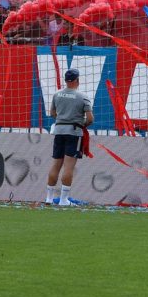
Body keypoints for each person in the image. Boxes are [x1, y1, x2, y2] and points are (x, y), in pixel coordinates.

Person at [45, 68, 94, 206]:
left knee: (55, 165)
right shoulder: (82, 97)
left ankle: (48, 198)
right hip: (74, 133)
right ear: (77, 80)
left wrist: (63, 119)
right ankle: (63, 200)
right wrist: (81, 124)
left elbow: (52, 113)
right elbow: (90, 119)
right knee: (68, 167)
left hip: (59, 131)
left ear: (66, 80)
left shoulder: (57, 94)